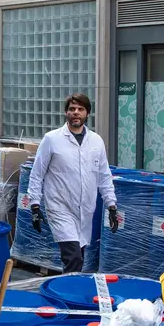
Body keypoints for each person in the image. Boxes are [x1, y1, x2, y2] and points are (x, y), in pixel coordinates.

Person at [27, 92, 118, 273]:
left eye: (80, 109)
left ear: (87, 114)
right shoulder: (52, 139)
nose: (76, 112)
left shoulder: (96, 142)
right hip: (60, 207)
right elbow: (37, 174)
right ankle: (66, 296)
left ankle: (61, 288)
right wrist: (35, 206)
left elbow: (104, 176)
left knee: (77, 260)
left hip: (85, 210)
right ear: (66, 113)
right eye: (72, 109)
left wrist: (112, 205)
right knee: (73, 258)